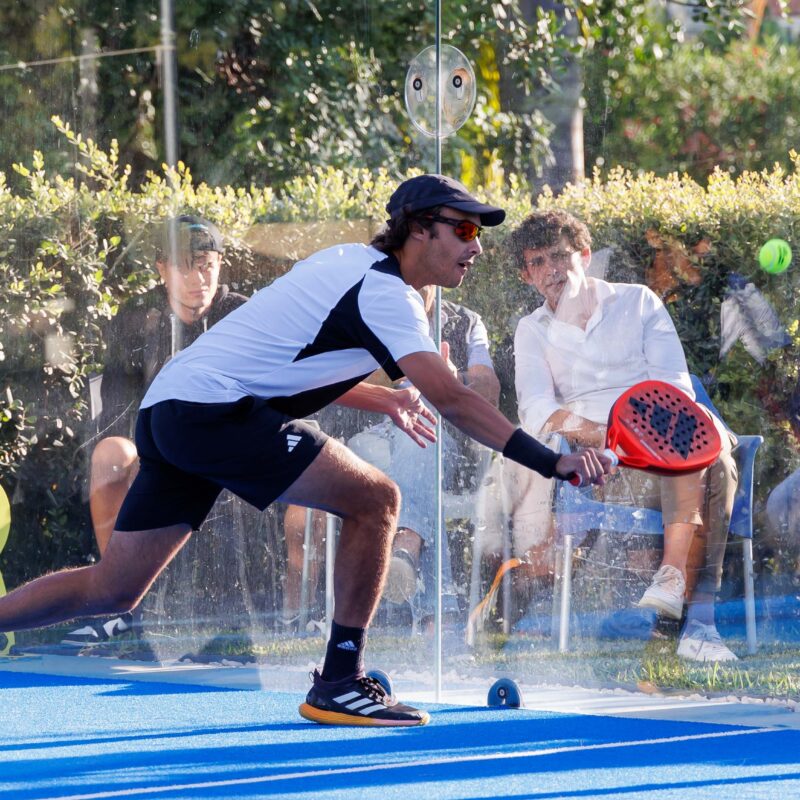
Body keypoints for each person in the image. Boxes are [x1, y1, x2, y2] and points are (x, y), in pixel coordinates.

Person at [0, 175, 611, 728]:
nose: (476, 246)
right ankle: (339, 682)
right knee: (376, 500)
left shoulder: (349, 263)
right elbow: (452, 399)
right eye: (464, 229)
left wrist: (385, 401)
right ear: (419, 230)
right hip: (215, 409)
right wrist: (551, 460)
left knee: (115, 587)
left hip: (173, 408)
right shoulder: (387, 293)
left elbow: (290, 357)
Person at [504, 209, 739, 661]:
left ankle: (678, 592)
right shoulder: (531, 330)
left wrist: (646, 434)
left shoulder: (638, 301)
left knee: (709, 458)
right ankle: (696, 625)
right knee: (714, 467)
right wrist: (609, 437)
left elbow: (676, 389)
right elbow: (537, 412)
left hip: (667, 431)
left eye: (559, 256)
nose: (551, 270)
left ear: (585, 256)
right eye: (537, 262)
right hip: (606, 465)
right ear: (526, 275)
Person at [63, 215, 248, 646]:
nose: (198, 277)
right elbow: (114, 408)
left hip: (227, 447)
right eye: (185, 264)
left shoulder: (240, 313)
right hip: (153, 450)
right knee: (110, 454)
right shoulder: (136, 317)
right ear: (163, 269)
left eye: (206, 263)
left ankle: (242, 615)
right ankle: (117, 602)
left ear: (220, 265)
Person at [350, 284, 500, 627]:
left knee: (422, 420)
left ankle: (407, 545)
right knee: (417, 426)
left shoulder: (466, 322)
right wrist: (421, 373)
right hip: (374, 440)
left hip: (440, 442)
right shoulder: (376, 315)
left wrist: (452, 378)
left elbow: (488, 392)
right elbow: (350, 381)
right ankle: (437, 617)